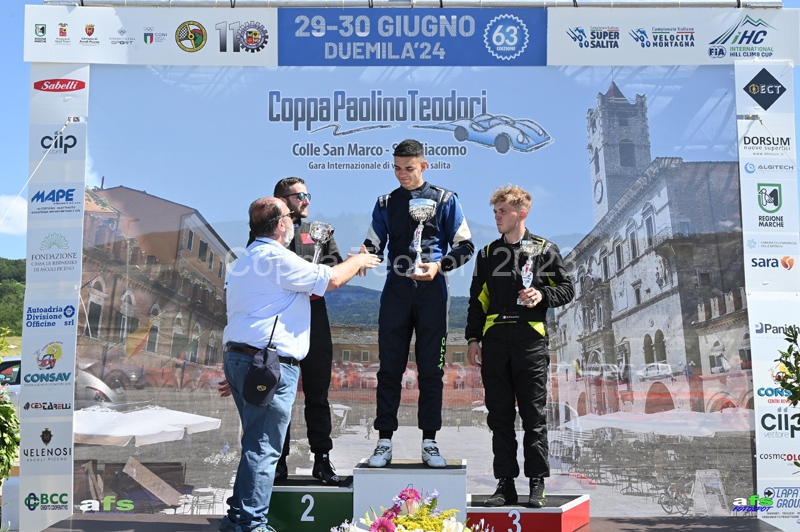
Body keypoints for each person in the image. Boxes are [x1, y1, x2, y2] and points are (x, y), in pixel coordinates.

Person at [219, 197, 379, 532]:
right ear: (280, 225)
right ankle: (251, 524)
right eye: (290, 217)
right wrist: (359, 259)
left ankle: (238, 518)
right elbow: (331, 279)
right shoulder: (277, 257)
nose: (294, 221)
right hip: (267, 362)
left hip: (242, 357)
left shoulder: (245, 260)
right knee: (264, 448)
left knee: (255, 443)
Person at [363, 139, 474, 468]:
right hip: (396, 291)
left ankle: (430, 442)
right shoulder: (385, 203)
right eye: (397, 168)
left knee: (431, 371)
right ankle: (384, 441)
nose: (402, 174)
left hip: (432, 292)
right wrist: (363, 257)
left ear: (424, 166)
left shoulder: (446, 199)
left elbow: (465, 246)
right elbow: (373, 244)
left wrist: (440, 266)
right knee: (389, 370)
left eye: (409, 168)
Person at [465, 185, 574, 508]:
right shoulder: (487, 254)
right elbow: (477, 301)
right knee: (499, 417)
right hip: (495, 341)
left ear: (521, 213)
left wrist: (542, 294)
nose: (497, 217)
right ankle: (505, 484)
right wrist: (473, 338)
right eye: (495, 212)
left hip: (530, 341)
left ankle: (537, 483)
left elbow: (567, 289)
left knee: (534, 416)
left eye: (503, 211)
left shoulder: (545, 249)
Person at [273, 177, 342, 485]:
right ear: (282, 200)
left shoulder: (319, 231)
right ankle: (278, 462)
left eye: (307, 194)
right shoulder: (267, 231)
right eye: (300, 195)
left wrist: (321, 276)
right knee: (279, 396)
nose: (306, 200)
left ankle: (322, 460)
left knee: (318, 395)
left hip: (315, 319)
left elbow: (336, 270)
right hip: (281, 320)